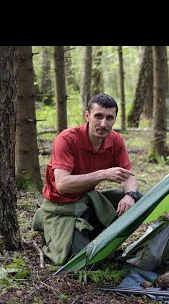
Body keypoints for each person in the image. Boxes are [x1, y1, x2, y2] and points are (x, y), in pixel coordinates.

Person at [33, 93, 142, 266]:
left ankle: (105, 243)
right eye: (98, 116)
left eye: (109, 118)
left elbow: (130, 176)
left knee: (140, 201)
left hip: (87, 203)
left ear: (115, 120)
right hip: (61, 209)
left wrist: (130, 195)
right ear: (87, 116)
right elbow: (63, 185)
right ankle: (56, 235)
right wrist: (103, 174)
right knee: (89, 262)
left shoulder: (115, 139)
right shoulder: (67, 139)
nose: (103, 124)